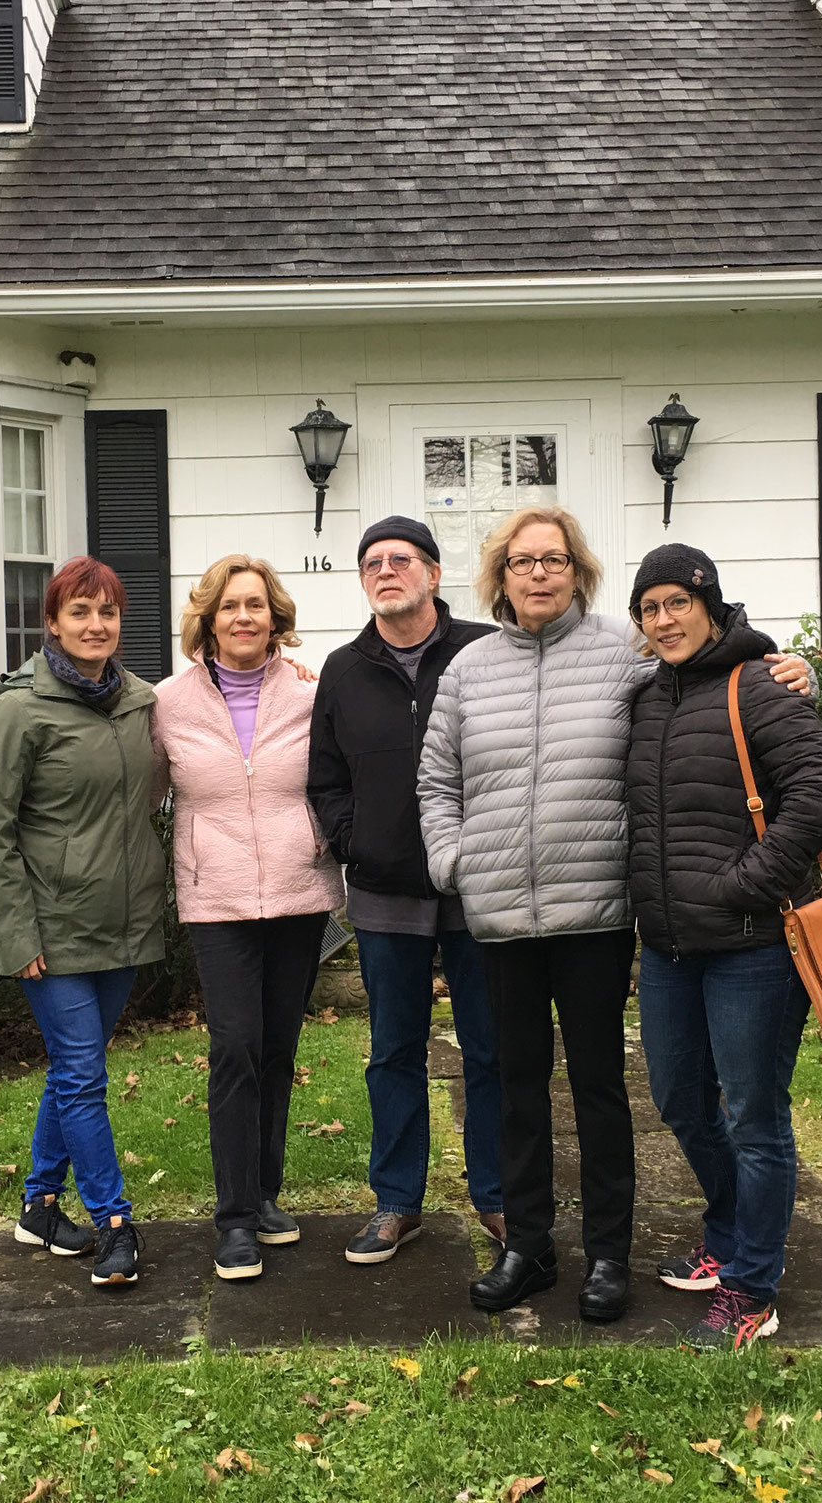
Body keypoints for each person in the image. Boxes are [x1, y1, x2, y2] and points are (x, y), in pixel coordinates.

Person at [417, 509, 809, 1323]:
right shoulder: (467, 669)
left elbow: (715, 666)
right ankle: (526, 1247)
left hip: (595, 911)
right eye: (521, 562)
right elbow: (436, 783)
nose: (537, 574)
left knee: (600, 1090)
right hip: (499, 919)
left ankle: (606, 1256)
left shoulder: (623, 655)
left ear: (578, 571)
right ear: (499, 575)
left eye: (553, 559)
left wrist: (798, 669)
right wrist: (452, 863)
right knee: (516, 1088)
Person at [625, 544, 822, 1350]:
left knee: (755, 1116)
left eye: (677, 602)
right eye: (649, 609)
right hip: (669, 948)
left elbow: (818, 797)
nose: (664, 620)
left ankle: (753, 1288)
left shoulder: (759, 686)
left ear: (710, 604)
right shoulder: (648, 700)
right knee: (682, 1100)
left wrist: (742, 883)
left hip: (751, 946)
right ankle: (728, 1235)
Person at [308, 516, 506, 1268]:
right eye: (372, 564)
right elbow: (324, 775)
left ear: (431, 573)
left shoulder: (487, 650)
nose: (386, 572)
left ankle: (495, 1196)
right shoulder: (343, 668)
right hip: (386, 897)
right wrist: (356, 839)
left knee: (490, 1049)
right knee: (394, 1051)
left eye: (401, 560)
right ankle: (397, 1203)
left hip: (480, 892)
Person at [0, 556, 163, 1290]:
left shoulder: (138, 702)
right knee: (83, 1077)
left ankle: (39, 1207)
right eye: (80, 613)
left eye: (107, 612)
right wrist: (17, 935)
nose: (95, 626)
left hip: (122, 923)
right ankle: (115, 1220)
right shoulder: (20, 710)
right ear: (52, 623)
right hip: (51, 932)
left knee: (73, 1071)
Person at [152, 555, 344, 1281]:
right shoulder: (167, 705)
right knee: (234, 1048)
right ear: (207, 619)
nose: (243, 617)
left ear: (276, 618)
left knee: (276, 1048)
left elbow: (335, 773)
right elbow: (138, 795)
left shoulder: (310, 692)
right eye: (229, 606)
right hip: (218, 899)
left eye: (256, 606)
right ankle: (232, 1218)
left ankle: (265, 1195)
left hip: (298, 892)